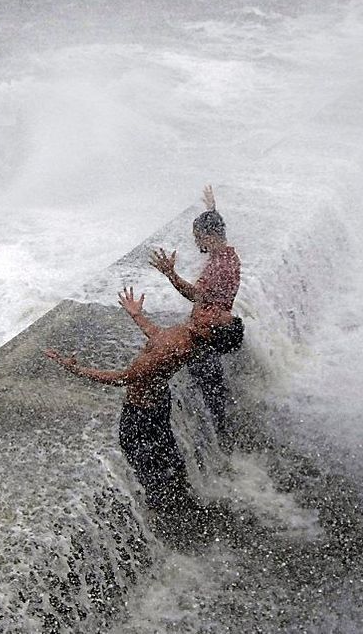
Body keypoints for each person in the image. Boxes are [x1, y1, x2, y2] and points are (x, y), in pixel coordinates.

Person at [44, 287, 240, 512]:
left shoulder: (174, 347)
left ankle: (162, 508)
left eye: (215, 314)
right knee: (166, 453)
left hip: (140, 415)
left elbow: (123, 378)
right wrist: (137, 314)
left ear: (208, 331)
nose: (211, 309)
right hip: (158, 401)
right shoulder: (188, 336)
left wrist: (76, 370)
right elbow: (160, 337)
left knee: (143, 462)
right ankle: (183, 496)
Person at [149, 185, 243, 449]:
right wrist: (212, 209)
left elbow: (195, 295)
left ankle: (220, 440)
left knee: (208, 388)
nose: (196, 243)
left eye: (198, 237)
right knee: (214, 388)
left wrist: (171, 275)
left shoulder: (217, 267)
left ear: (210, 237)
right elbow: (217, 226)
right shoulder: (228, 256)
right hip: (215, 328)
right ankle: (222, 431)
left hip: (207, 337)